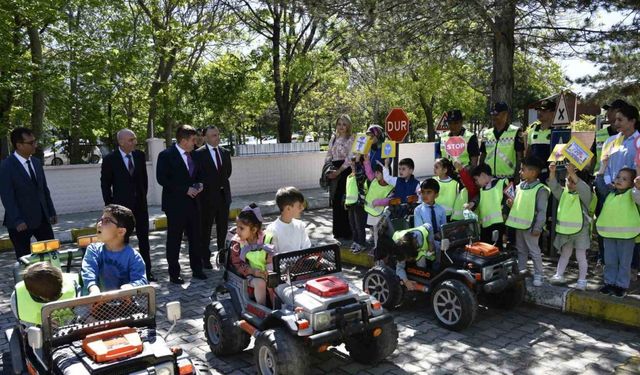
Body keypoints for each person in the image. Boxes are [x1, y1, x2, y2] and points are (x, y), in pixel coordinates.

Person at [100, 129, 155, 281]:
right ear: (121, 142)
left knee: (144, 239)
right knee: (122, 241)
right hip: (121, 209)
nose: (134, 142)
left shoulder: (139, 155)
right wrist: (111, 207)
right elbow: (105, 184)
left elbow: (143, 179)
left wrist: (142, 195)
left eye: (135, 139)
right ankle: (123, 274)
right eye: (131, 140)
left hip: (140, 205)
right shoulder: (111, 159)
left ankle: (147, 271)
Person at [156, 124, 206, 284]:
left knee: (195, 238)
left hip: (194, 204)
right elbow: (162, 179)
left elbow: (199, 174)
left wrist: (200, 184)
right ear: (183, 141)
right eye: (192, 140)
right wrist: (185, 189)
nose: (195, 143)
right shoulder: (166, 155)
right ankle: (174, 273)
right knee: (174, 239)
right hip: (175, 205)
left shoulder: (195, 155)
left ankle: (197, 269)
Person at [0, 127, 57, 259]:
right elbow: (7, 196)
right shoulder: (6, 166)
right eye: (31, 143)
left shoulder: (36, 162)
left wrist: (51, 211)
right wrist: (17, 220)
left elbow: (44, 189)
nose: (35, 145)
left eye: (35, 141)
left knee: (51, 256)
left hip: (42, 219)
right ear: (19, 145)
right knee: (25, 261)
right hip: (20, 223)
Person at [595, 160, 640, 298]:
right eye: (618, 177)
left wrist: (638, 187)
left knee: (624, 263)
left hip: (627, 236)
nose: (620, 180)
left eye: (625, 179)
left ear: (632, 183)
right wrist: (603, 166)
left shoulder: (632, 194)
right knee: (610, 261)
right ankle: (609, 283)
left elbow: (638, 197)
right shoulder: (609, 192)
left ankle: (621, 286)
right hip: (609, 234)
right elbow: (599, 184)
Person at [81, 204, 147, 295]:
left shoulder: (133, 256)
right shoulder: (93, 250)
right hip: (95, 303)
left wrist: (131, 287)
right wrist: (93, 289)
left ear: (121, 231)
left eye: (106, 221)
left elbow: (141, 280)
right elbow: (88, 270)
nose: (99, 224)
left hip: (125, 304)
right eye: (100, 220)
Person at [505, 156, 549, 287]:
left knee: (534, 251)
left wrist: (538, 227)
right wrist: (511, 204)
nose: (520, 172)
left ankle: (539, 275)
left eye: (523, 169)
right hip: (520, 225)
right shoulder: (519, 187)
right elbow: (518, 205)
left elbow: (542, 211)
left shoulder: (541, 189)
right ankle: (521, 272)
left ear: (533, 172)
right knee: (521, 251)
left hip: (531, 227)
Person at [547, 162, 592, 290]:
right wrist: (552, 172)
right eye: (568, 179)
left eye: (573, 181)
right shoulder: (563, 193)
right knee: (565, 254)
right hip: (566, 232)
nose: (570, 183)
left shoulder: (585, 195)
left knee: (580, 256)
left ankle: (582, 280)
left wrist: (572, 172)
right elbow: (553, 186)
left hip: (581, 231)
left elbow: (583, 188)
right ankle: (558, 275)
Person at [195, 125, 232, 269]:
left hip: (223, 197)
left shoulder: (225, 152)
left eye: (217, 134)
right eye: (213, 135)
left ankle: (222, 255)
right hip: (206, 198)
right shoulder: (198, 154)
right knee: (206, 229)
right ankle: (205, 257)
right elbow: (198, 175)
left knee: (223, 228)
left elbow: (227, 173)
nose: (217, 138)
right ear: (205, 137)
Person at [231, 204, 273, 306]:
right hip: (248, 275)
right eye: (237, 227)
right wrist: (253, 272)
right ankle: (262, 310)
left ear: (253, 230)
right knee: (260, 283)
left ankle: (276, 309)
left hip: (265, 272)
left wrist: (269, 271)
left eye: (241, 228)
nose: (237, 231)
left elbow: (270, 258)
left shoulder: (266, 239)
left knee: (274, 282)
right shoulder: (237, 243)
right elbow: (237, 264)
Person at [11, 262, 78, 326]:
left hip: (70, 324)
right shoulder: (18, 297)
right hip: (38, 329)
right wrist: (43, 325)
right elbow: (24, 320)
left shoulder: (73, 284)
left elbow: (81, 310)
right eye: (49, 299)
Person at [325, 115, 355, 240]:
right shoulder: (333, 138)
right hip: (334, 171)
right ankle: (338, 232)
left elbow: (350, 157)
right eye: (339, 124)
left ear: (348, 125)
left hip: (346, 172)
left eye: (344, 124)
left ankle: (348, 232)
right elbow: (328, 155)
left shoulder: (351, 138)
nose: (341, 127)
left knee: (345, 202)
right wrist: (329, 169)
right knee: (336, 201)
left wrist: (339, 171)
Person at [467, 164, 509, 249]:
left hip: (499, 225)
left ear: (483, 175)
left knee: (497, 251)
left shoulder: (502, 183)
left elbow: (507, 203)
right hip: (485, 227)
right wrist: (471, 204)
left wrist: (505, 230)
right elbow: (477, 199)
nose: (476, 183)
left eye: (476, 179)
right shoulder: (482, 190)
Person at [480, 102, 525, 181]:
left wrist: (517, 177)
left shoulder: (516, 131)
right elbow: (483, 155)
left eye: (496, 114)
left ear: (505, 114)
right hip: (488, 179)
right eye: (492, 114)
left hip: (508, 179)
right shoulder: (486, 133)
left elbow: (520, 157)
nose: (493, 117)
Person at [265, 186, 311, 253]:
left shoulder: (300, 225)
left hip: (303, 262)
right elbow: (273, 257)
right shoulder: (272, 230)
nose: (302, 208)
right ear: (288, 208)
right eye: (299, 206)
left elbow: (307, 248)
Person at [392, 223, 436, 291]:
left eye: (408, 259)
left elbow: (429, 225)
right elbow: (399, 267)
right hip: (409, 249)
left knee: (437, 248)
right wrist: (406, 281)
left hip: (425, 248)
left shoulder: (420, 238)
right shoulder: (400, 248)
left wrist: (430, 242)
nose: (408, 260)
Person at [362, 154, 394, 249]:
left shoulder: (390, 186)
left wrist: (379, 202)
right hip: (372, 213)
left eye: (378, 172)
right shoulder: (374, 181)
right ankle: (377, 248)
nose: (375, 174)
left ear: (385, 173)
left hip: (383, 214)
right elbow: (368, 172)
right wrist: (367, 161)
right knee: (375, 231)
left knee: (383, 232)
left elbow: (390, 199)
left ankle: (383, 249)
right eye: (375, 172)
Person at [590, 99, 627, 174]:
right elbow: (593, 156)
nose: (606, 113)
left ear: (618, 112)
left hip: (619, 180)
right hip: (599, 178)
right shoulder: (600, 134)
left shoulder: (629, 135)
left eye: (609, 110)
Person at [525, 99, 556, 182]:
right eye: (539, 110)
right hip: (534, 175)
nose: (539, 113)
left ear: (553, 113)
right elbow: (528, 151)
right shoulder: (532, 130)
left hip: (550, 175)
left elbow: (559, 156)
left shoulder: (557, 131)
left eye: (544, 110)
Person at [413, 178, 446, 251]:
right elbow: (419, 232)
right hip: (424, 243)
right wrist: (433, 237)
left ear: (436, 195)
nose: (424, 195)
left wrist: (441, 235)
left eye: (428, 192)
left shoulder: (441, 210)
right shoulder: (418, 210)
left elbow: (444, 229)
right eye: (423, 192)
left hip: (439, 243)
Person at [345, 155, 368, 253]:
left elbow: (359, 174)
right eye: (351, 163)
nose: (352, 165)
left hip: (359, 204)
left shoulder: (361, 175)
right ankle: (355, 241)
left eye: (354, 163)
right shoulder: (349, 176)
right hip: (351, 204)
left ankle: (362, 243)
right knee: (353, 225)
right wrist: (345, 202)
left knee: (359, 225)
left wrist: (358, 161)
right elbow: (348, 190)